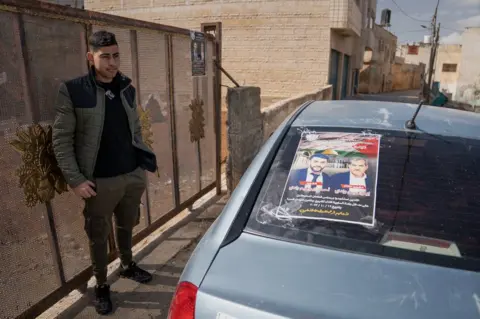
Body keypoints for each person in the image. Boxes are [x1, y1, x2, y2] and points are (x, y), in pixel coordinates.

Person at [52, 30, 157, 315]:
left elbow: (134, 128)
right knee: (98, 235)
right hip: (99, 181)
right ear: (91, 57)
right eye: (105, 57)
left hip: (132, 175)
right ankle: (101, 285)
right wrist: (75, 180)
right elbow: (61, 139)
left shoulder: (127, 88)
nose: (112, 63)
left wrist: (142, 162)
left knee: (127, 224)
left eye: (116, 56)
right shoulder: (74, 90)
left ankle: (127, 264)